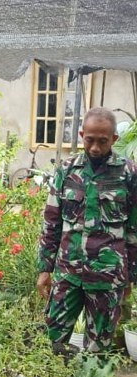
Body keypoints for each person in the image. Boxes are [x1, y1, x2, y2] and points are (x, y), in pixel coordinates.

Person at [37, 107, 137, 352]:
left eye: (102, 141)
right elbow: (52, 222)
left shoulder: (128, 173)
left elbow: (134, 230)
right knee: (51, 343)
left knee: (98, 353)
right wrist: (44, 268)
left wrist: (130, 278)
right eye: (89, 140)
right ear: (82, 134)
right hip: (67, 274)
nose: (94, 148)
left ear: (114, 139)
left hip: (107, 279)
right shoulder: (67, 170)